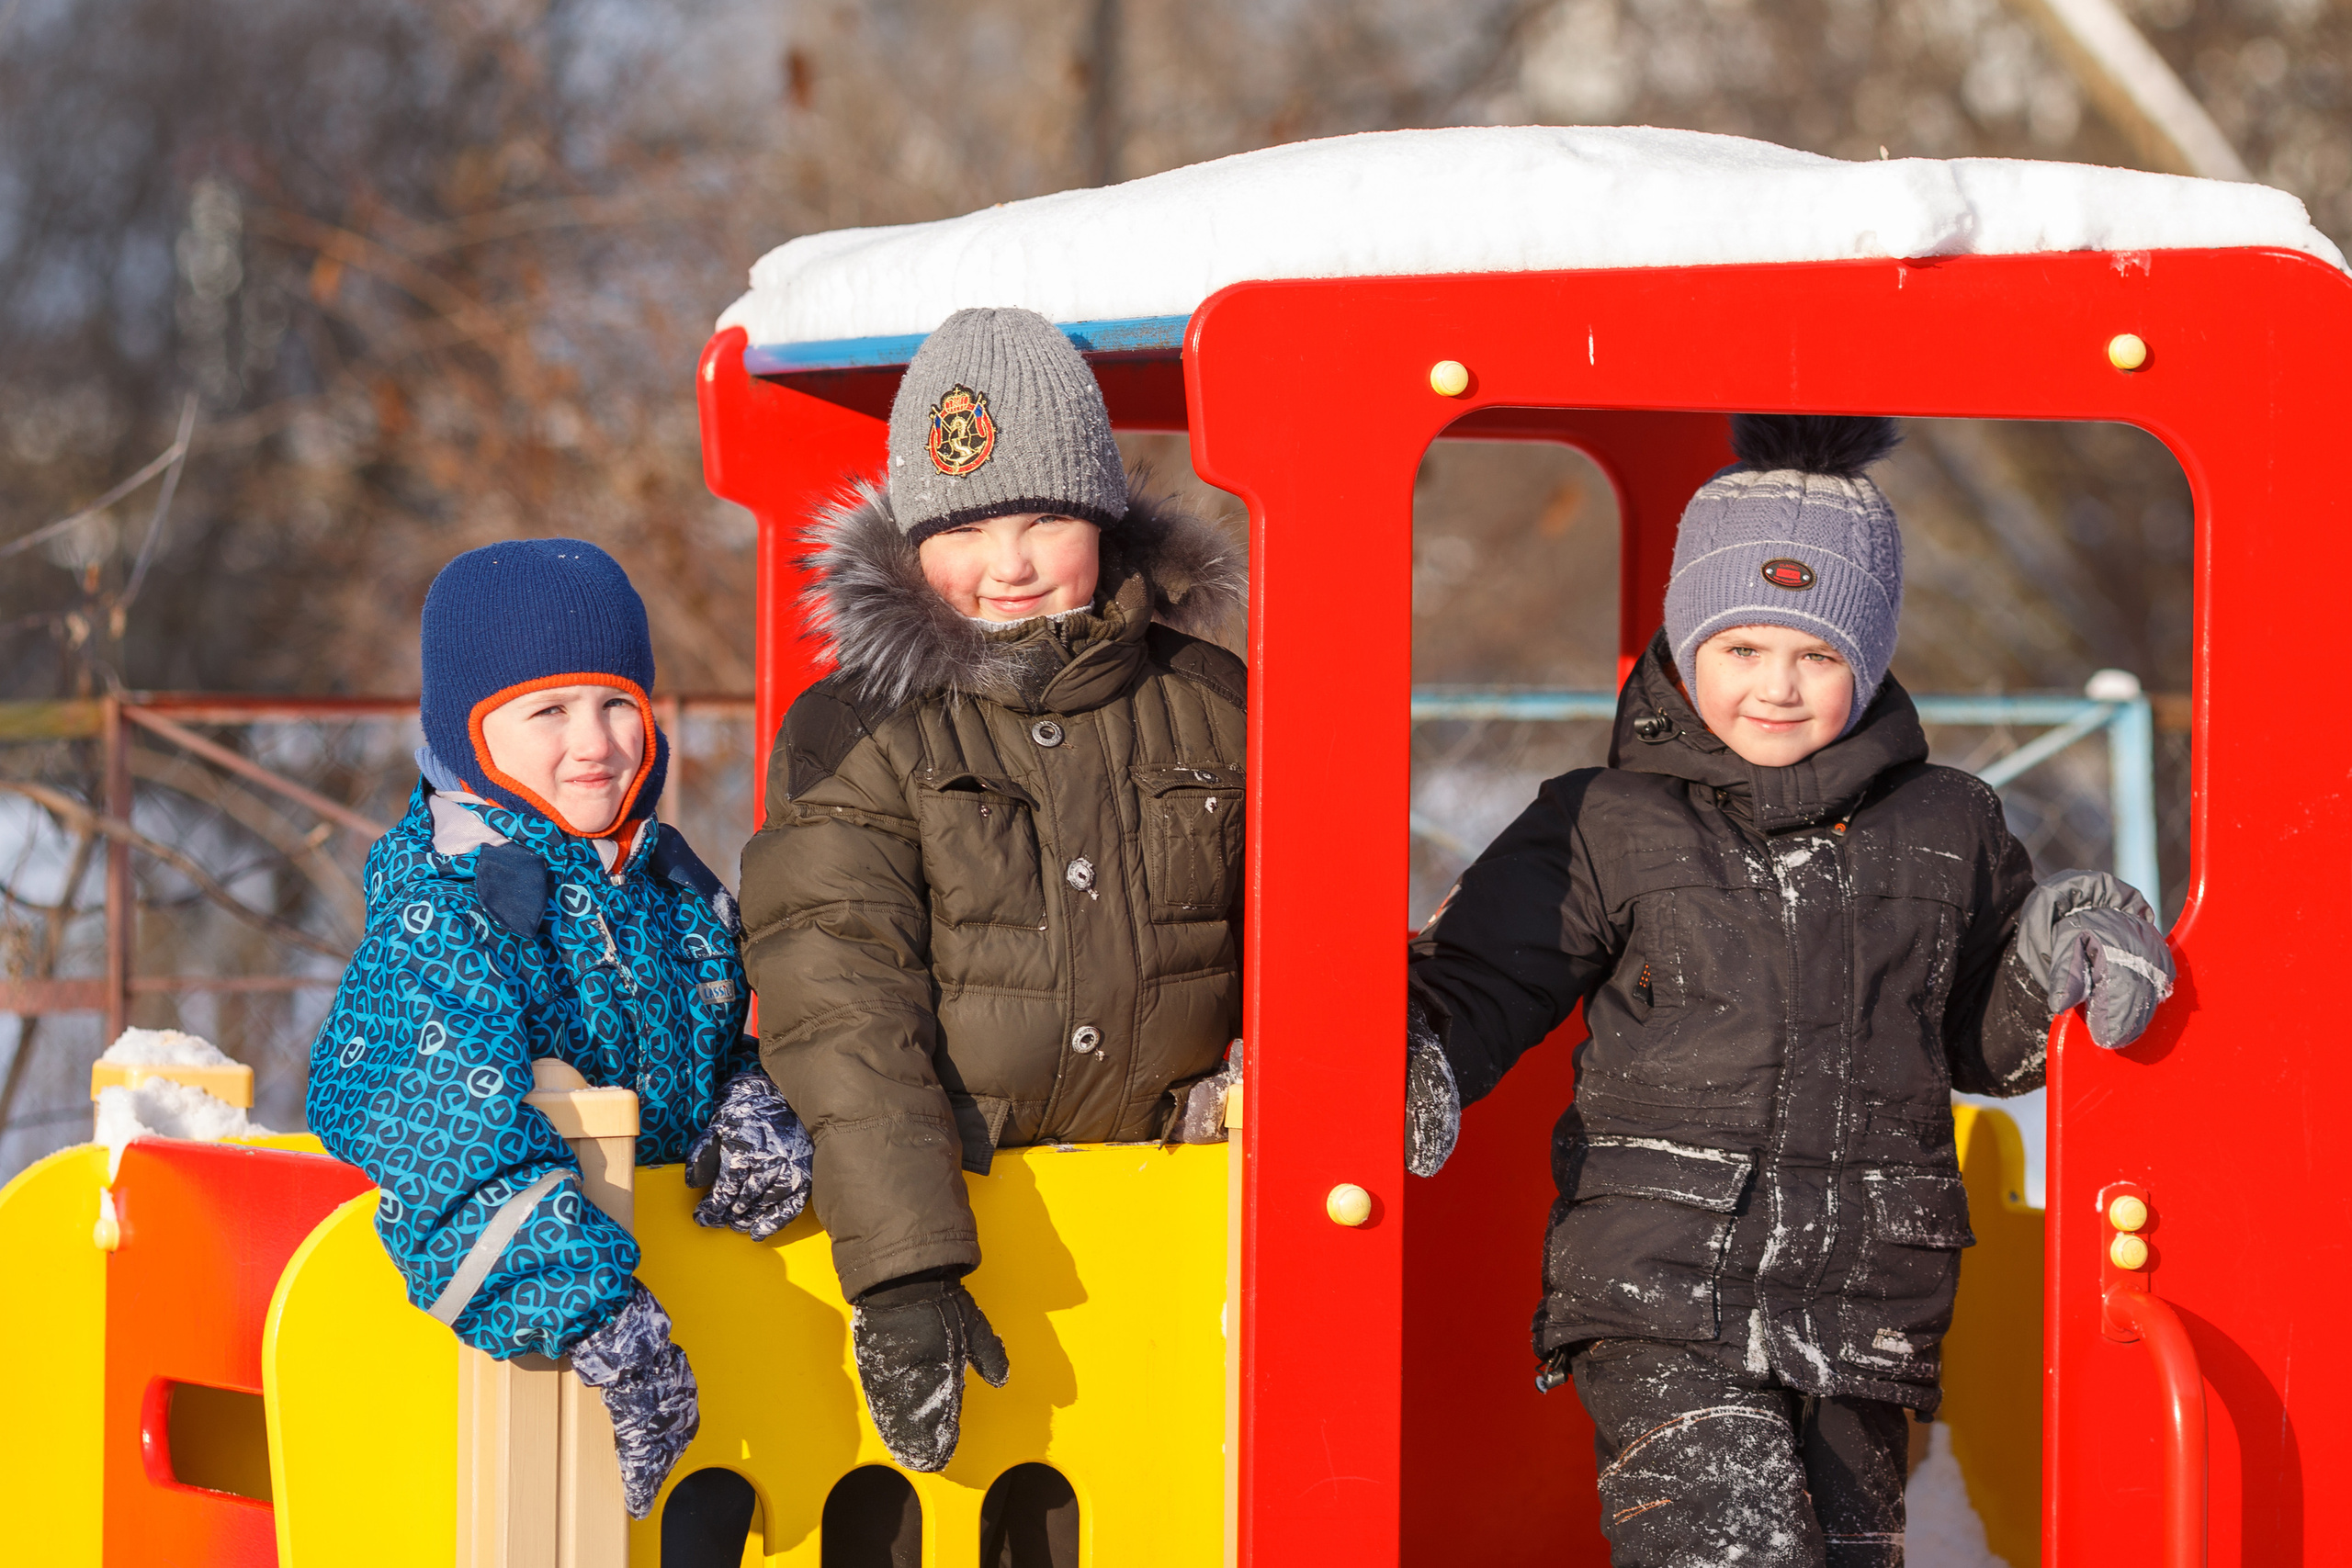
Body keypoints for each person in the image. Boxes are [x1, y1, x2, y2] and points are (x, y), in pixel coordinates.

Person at [1403, 415, 2175, 1568]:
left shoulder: (1946, 822)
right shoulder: (1602, 821)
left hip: (1866, 1303)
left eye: (1816, 657)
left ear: (1866, 662)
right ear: (1684, 644)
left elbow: (1974, 1036)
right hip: (1663, 1293)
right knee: (1735, 1549)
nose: (1775, 687)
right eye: (1740, 650)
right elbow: (1485, 977)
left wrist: (2051, 954)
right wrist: (1407, 1053)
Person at [739, 306, 1247, 1477]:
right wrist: (906, 1265)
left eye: (1044, 519)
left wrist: (1362, 1034)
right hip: (967, 1220)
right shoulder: (860, 729)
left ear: (1107, 524)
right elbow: (840, 998)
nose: (1007, 566)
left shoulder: (1215, 702)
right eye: (965, 527)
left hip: (1187, 1226)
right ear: (914, 535)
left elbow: (1300, 923)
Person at [306, 538, 814, 1519]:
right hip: (538, 1367)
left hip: (699, 1339)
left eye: (617, 703)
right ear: (468, 735)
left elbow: (714, 1051)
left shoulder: (663, 884)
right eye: (547, 711)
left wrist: (753, 1104)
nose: (596, 742)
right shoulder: (443, 911)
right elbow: (440, 1132)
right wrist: (597, 1318)